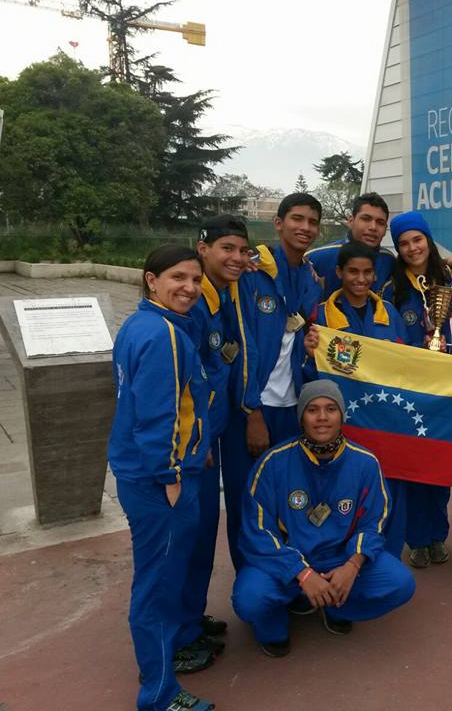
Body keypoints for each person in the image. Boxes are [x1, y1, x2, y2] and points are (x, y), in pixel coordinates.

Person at [231, 380, 415, 657]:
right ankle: (276, 619)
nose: (322, 417)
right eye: (312, 409)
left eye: (330, 409)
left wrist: (352, 565)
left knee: (400, 584)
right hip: (287, 563)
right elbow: (257, 531)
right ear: (301, 417)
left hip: (338, 560)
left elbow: (374, 523)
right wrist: (301, 573)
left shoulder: (364, 462)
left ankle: (334, 603)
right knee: (249, 600)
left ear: (341, 415)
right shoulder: (273, 463)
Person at [108, 245, 215, 711]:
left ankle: (163, 667)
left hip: (148, 472)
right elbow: (158, 415)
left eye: (194, 279)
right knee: (156, 585)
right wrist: (171, 473)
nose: (188, 288)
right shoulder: (162, 335)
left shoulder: (143, 324)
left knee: (161, 579)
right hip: (158, 481)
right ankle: (158, 694)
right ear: (151, 280)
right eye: (177, 278)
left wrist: (197, 450)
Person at [220, 193, 323, 571]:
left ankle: (290, 579)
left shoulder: (310, 278)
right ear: (278, 224)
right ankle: (253, 586)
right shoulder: (252, 273)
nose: (305, 228)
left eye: (312, 222)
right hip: (252, 410)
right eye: (296, 219)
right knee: (247, 501)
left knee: (290, 499)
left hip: (291, 409)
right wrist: (252, 411)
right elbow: (243, 345)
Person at [173, 216, 251, 666]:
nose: (236, 258)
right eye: (226, 248)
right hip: (193, 447)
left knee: (203, 534)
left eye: (242, 250)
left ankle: (190, 619)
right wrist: (193, 445)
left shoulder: (222, 298)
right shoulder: (193, 305)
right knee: (190, 536)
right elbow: (185, 382)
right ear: (202, 248)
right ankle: (179, 640)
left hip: (212, 435)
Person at [305, 240, 408, 558]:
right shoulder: (321, 315)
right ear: (339, 272)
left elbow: (407, 365)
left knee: (391, 491)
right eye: (353, 272)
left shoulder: (389, 313)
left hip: (385, 422)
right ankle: (340, 557)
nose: (361, 279)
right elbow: (308, 375)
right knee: (346, 492)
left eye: (367, 272)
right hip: (342, 425)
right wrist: (309, 353)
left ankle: (385, 558)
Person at [380, 211, 452, 569]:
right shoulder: (392, 288)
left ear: (428, 240)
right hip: (407, 390)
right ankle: (417, 539)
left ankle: (438, 534)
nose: (412, 248)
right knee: (410, 470)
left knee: (439, 468)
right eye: (404, 243)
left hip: (446, 391)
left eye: (417, 240)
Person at [304, 192, 395, 299]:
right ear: (351, 221)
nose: (373, 227)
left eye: (380, 222)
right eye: (366, 219)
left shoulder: (389, 260)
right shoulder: (317, 258)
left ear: (385, 229)